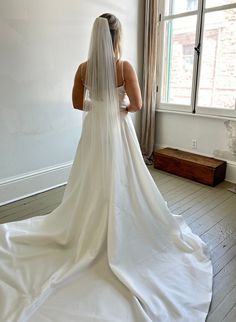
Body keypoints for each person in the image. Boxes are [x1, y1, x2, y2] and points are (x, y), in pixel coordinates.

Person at [0, 13, 213, 322]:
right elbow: (137, 104)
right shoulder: (123, 67)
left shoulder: (83, 69)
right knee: (122, 178)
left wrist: (98, 107)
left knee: (90, 177)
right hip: (117, 128)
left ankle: (87, 227)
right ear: (117, 36)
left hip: (93, 130)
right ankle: (117, 225)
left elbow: (77, 103)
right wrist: (116, 107)